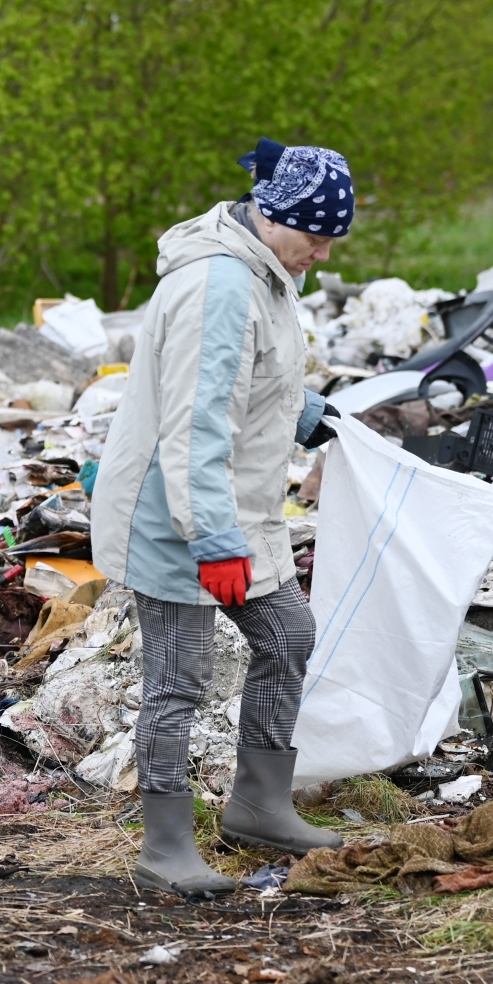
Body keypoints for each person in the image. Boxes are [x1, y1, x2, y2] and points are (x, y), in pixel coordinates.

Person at [91, 137, 351, 896]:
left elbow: (249, 378)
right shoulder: (221, 284)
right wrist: (212, 542)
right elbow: (195, 424)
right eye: (317, 235)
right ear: (275, 216)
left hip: (232, 508)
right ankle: (165, 848)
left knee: (288, 634)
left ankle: (259, 804)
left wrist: (312, 417)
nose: (324, 253)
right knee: (179, 679)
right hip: (178, 516)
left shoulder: (265, 273)